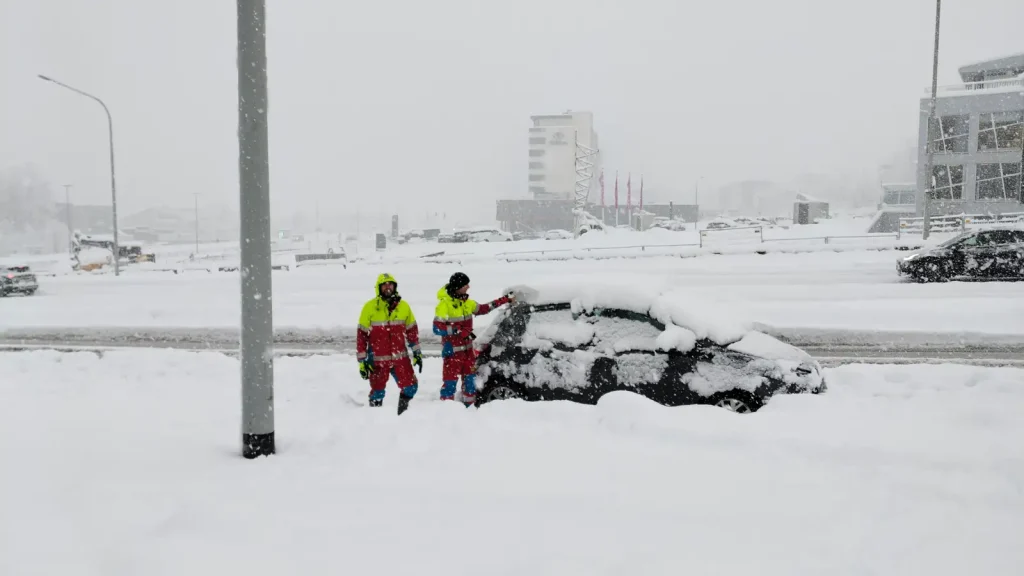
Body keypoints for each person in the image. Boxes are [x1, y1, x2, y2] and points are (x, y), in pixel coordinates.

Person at [433, 272, 514, 406]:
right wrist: (457, 330)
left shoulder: (468, 303)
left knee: (470, 385)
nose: (468, 287)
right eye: (466, 285)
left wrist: (504, 299)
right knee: (449, 385)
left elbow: (484, 308)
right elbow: (437, 327)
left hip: (468, 352)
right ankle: (446, 414)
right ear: (458, 287)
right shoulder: (444, 305)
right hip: (452, 353)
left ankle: (470, 410)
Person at [356, 272, 423, 414]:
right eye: (384, 285)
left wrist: (417, 352)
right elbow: (362, 335)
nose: (388, 287)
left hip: (400, 359)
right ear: (378, 288)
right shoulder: (369, 307)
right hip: (378, 360)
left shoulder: (404, 306)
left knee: (411, 387)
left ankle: (402, 414)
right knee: (377, 392)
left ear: (395, 287)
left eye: (390, 284)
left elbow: (412, 331)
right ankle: (374, 418)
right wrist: (362, 360)